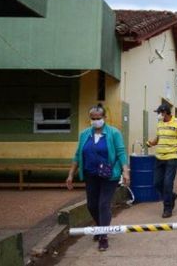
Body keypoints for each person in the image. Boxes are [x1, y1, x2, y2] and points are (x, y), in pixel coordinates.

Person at [66, 104, 129, 251]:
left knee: (103, 204)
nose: (95, 121)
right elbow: (77, 155)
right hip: (90, 175)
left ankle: (103, 236)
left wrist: (126, 172)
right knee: (91, 205)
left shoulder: (114, 133)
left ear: (104, 118)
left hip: (109, 175)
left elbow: (120, 153)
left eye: (98, 118)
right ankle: (100, 226)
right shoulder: (84, 134)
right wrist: (70, 174)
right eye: (92, 118)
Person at [146, 104, 177, 218]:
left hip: (172, 157)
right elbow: (159, 138)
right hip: (159, 157)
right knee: (157, 183)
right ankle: (171, 196)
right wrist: (151, 143)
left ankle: (167, 208)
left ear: (165, 112)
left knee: (168, 184)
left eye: (159, 113)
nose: (158, 115)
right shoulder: (160, 123)